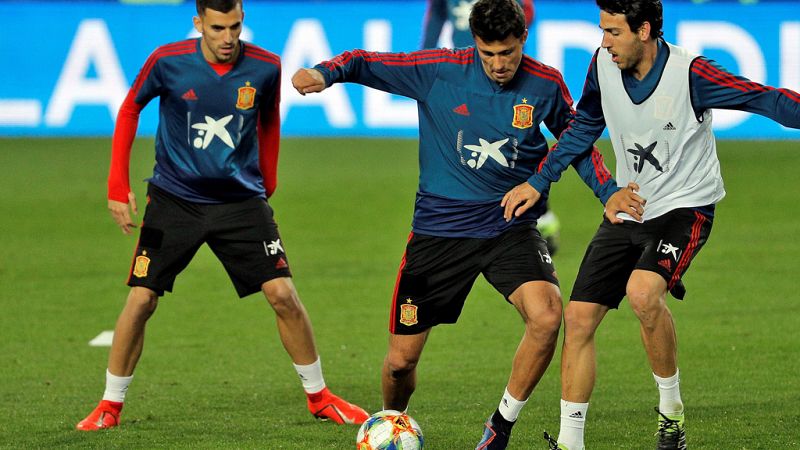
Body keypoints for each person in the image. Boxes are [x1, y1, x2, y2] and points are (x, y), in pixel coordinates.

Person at [291, 1, 642, 448]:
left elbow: (573, 142)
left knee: (548, 315)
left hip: (508, 226)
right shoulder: (438, 69)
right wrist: (325, 73)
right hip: (438, 232)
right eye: (488, 53)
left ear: (523, 41)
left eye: (508, 53)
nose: (498, 64)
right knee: (400, 363)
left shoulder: (545, 83)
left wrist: (607, 190)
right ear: (474, 43)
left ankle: (500, 426)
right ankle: (392, 424)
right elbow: (363, 61)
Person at [497, 1, 800, 448]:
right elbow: (583, 128)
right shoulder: (602, 64)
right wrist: (539, 182)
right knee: (578, 318)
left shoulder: (691, 73)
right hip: (632, 204)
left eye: (613, 32)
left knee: (642, 293)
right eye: (602, 30)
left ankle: (671, 415)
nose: (604, 42)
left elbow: (763, 98)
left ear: (644, 30)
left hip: (686, 207)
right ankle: (570, 441)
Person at [75, 0, 369, 431]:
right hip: (174, 201)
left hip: (241, 204)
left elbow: (269, 119)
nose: (227, 38)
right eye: (217, 28)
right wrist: (116, 186)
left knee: (283, 295)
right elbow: (129, 108)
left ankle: (319, 396)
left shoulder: (266, 67)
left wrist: (267, 180)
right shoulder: (167, 61)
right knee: (141, 299)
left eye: (234, 26)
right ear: (199, 23)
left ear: (241, 21)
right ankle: (109, 405)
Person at [419, 0, 563, 256]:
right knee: (469, 148)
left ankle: (540, 213)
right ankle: (477, 217)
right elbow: (436, 13)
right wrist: (425, 57)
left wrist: (503, 42)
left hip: (500, 75)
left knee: (514, 142)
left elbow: (525, 11)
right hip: (464, 75)